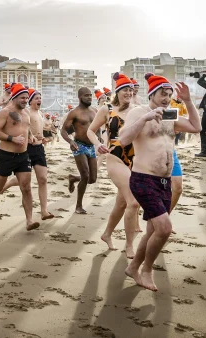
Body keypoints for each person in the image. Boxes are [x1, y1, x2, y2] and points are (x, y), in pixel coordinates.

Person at [120, 73, 201, 292]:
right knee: (164, 229)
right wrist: (145, 119)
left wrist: (188, 101)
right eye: (162, 94)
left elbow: (195, 127)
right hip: (143, 178)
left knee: (153, 231)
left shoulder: (170, 114)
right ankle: (147, 269)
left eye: (169, 94)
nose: (166, 98)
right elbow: (124, 138)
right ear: (152, 94)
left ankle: (134, 267)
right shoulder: (139, 112)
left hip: (164, 181)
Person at [87, 73, 140, 257]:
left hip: (135, 159)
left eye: (131, 90)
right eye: (125, 90)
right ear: (117, 92)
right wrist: (98, 143)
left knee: (121, 203)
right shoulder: (107, 109)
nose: (129, 92)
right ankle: (129, 245)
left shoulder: (137, 110)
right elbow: (90, 131)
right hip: (115, 157)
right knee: (133, 202)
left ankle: (107, 234)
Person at [0, 83, 40, 231]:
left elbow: (26, 129)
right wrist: (12, 139)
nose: (25, 100)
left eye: (27, 98)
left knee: (26, 187)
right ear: (14, 97)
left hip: (23, 156)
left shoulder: (26, 114)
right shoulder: (5, 112)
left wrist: (31, 137)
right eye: (23, 98)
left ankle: (29, 220)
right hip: (6, 155)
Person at [1, 88, 54, 220]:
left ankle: (44, 211)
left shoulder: (40, 113)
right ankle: (6, 185)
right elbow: (21, 126)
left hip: (39, 149)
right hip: (27, 149)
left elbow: (39, 130)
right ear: (30, 101)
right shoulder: (26, 113)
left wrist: (43, 139)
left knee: (43, 179)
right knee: (25, 180)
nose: (39, 100)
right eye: (36, 98)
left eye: (40, 98)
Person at [61, 87, 98, 214]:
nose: (89, 97)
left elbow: (96, 128)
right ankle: (78, 206)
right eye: (86, 95)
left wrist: (99, 140)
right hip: (79, 145)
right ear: (80, 97)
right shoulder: (74, 113)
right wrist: (70, 141)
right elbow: (63, 130)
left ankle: (73, 178)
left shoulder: (95, 111)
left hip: (91, 146)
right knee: (86, 175)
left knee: (92, 179)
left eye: (90, 95)